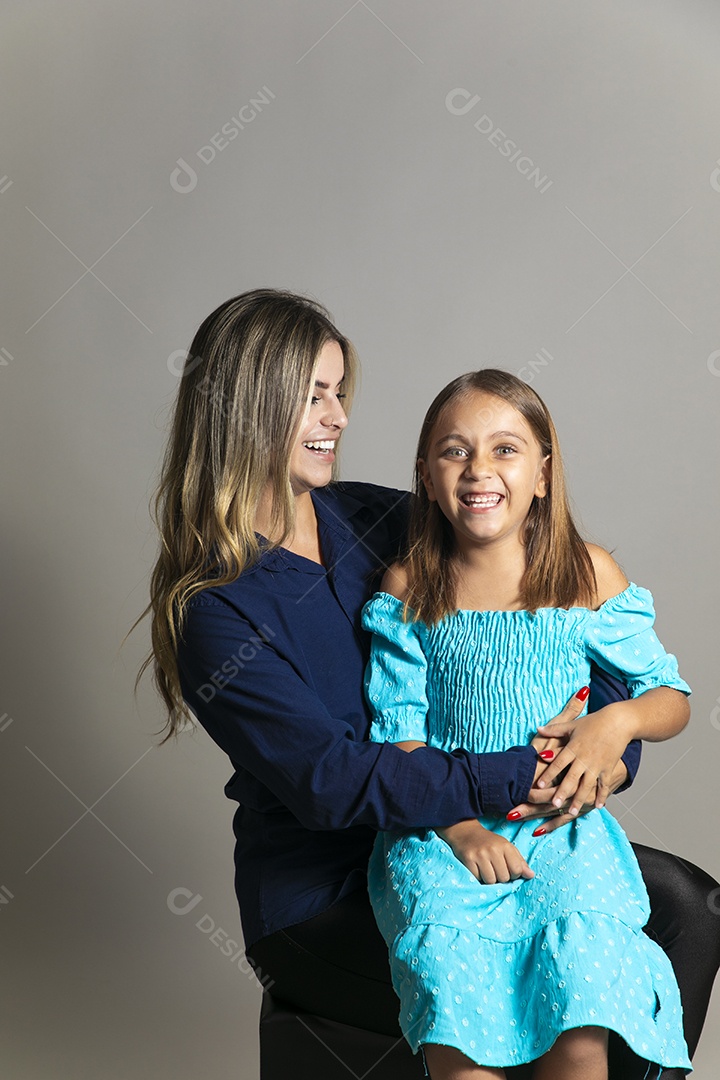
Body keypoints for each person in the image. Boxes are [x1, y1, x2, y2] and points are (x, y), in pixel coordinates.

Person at [136, 289, 719, 1079]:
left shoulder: (381, 519)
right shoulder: (216, 611)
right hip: (329, 891)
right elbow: (332, 782)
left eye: (339, 393)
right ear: (246, 406)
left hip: (512, 830)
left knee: (687, 905)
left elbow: (567, 637)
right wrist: (528, 772)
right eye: (313, 397)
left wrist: (606, 744)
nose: (338, 417)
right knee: (534, 967)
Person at [361, 369, 693, 1078]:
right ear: (425, 475)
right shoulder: (409, 589)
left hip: (562, 837)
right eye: (455, 451)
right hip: (443, 833)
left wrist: (617, 722)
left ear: (543, 473)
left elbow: (671, 697)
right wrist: (460, 826)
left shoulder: (585, 574)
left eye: (505, 449)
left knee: (580, 1019)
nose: (480, 469)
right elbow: (399, 736)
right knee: (455, 1001)